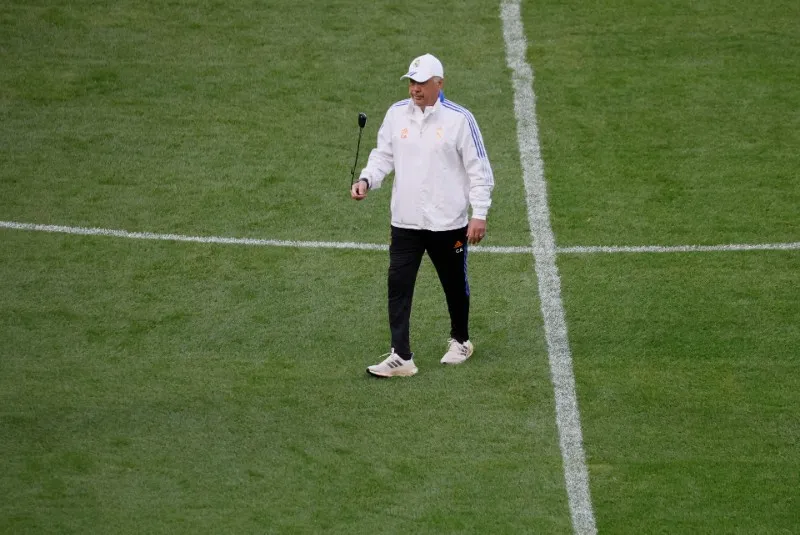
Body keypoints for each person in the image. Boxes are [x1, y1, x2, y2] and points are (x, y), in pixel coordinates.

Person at [351, 53, 495, 377]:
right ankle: (400, 355)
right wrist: (366, 180)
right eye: (411, 82)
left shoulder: (460, 120)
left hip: (449, 224)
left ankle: (461, 340)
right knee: (398, 285)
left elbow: (480, 171)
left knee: (455, 285)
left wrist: (479, 214)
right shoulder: (396, 115)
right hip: (405, 223)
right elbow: (382, 156)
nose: (415, 89)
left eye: (421, 83)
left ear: (438, 84)